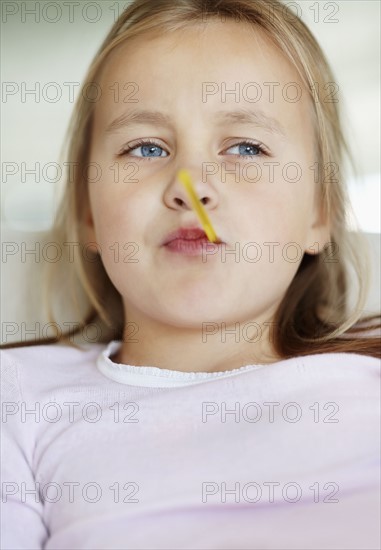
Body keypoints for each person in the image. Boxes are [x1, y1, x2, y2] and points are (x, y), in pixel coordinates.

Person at [1, 0, 380, 548]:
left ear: (319, 215)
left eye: (246, 147)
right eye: (146, 147)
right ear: (88, 214)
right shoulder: (21, 396)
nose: (192, 187)